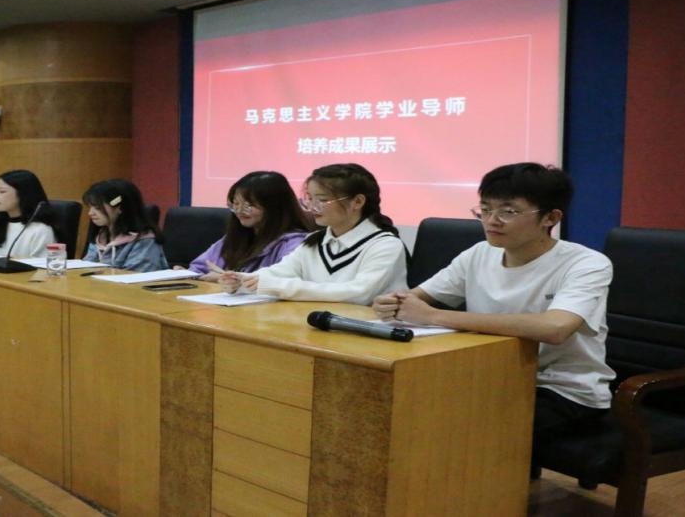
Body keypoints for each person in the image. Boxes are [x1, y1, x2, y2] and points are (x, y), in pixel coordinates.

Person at [372, 162, 614, 465]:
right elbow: (416, 298)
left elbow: (555, 328)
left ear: (551, 218)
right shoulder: (479, 253)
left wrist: (433, 316)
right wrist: (391, 302)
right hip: (489, 376)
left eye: (508, 212)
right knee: (405, 405)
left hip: (563, 391)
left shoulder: (586, 264)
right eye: (485, 210)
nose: (491, 221)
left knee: (451, 428)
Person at [220, 163, 406, 305]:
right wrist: (241, 280)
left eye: (322, 200)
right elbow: (280, 272)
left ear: (357, 202)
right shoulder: (314, 241)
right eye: (309, 199)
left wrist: (276, 286)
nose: (312, 207)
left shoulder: (385, 245)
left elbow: (358, 293)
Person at [188, 171, 313, 282]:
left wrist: (231, 280)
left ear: (275, 207)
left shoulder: (294, 243)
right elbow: (198, 268)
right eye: (236, 204)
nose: (239, 210)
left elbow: (283, 282)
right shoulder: (236, 236)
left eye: (248, 205)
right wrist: (187, 274)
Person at [82, 179, 167, 272]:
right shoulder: (100, 237)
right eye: (90, 207)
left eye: (98, 208)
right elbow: (85, 268)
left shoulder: (145, 240)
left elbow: (136, 276)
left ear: (120, 207)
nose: (90, 213)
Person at [0, 170, 56, 258]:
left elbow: (41, 264)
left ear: (23, 193)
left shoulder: (41, 230)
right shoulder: (0, 224)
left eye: (2, 192)